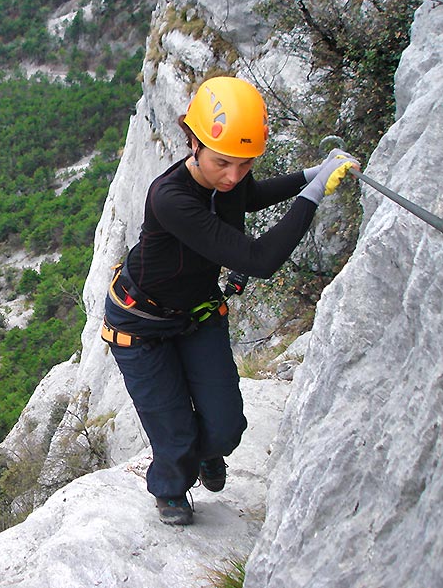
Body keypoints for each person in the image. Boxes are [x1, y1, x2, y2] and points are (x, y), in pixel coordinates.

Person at [102, 76, 360, 525]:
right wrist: (312, 194)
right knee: (174, 432)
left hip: (197, 313)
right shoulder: (170, 199)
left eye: (244, 163)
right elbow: (260, 259)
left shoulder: (231, 174)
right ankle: (171, 488)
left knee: (226, 427)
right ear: (195, 142)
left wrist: (310, 173)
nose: (234, 175)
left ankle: (207, 452)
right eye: (224, 163)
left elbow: (251, 195)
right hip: (140, 324)